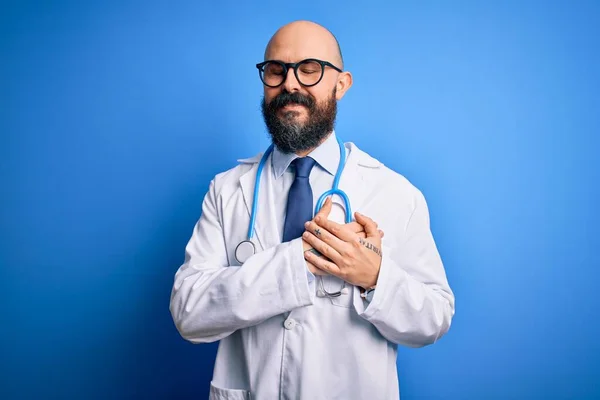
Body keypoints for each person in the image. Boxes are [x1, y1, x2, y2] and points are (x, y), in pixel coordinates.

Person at [169, 20, 455, 400]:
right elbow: (189, 314)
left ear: (341, 83)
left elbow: (433, 319)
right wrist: (298, 259)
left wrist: (376, 278)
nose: (290, 84)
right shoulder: (227, 190)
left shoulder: (394, 192)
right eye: (277, 71)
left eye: (309, 69)